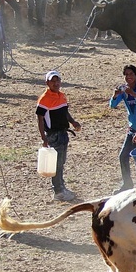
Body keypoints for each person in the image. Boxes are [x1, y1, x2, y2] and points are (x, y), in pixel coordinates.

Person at [36, 71, 82, 201]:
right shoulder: (44, 99)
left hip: (63, 133)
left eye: (57, 81)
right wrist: (43, 138)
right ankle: (58, 190)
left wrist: (73, 122)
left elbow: (65, 112)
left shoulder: (62, 96)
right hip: (53, 135)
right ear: (47, 83)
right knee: (56, 164)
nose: (56, 83)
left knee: (61, 162)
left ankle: (61, 186)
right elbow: (39, 120)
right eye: (53, 81)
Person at [110, 64, 136, 193]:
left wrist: (133, 94)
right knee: (123, 156)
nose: (129, 77)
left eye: (131, 74)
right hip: (132, 129)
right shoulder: (124, 91)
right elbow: (112, 105)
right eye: (126, 75)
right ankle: (127, 184)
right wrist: (116, 95)